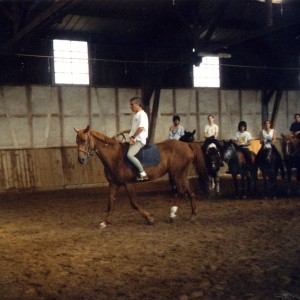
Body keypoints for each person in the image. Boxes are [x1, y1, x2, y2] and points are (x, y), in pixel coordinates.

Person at [118, 96, 149, 181]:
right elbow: (134, 130)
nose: (130, 107)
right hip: (135, 139)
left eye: (132, 105)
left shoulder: (142, 114)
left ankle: (143, 173)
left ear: (138, 104)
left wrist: (133, 137)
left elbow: (141, 128)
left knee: (129, 155)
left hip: (139, 141)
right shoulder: (136, 115)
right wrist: (124, 131)